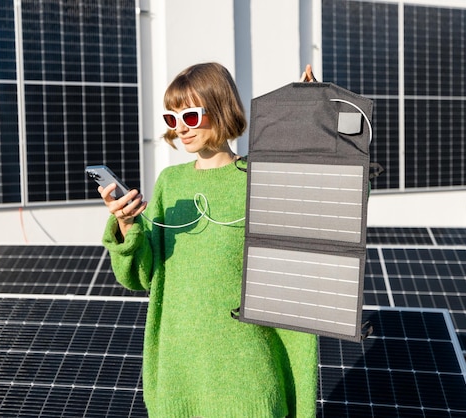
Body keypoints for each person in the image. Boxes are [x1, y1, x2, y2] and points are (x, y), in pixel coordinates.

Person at [98, 62, 318, 417]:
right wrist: (126, 225)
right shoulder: (172, 183)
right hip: (179, 374)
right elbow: (139, 277)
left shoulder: (261, 179)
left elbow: (336, 206)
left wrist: (313, 114)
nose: (181, 129)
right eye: (172, 119)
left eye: (191, 116)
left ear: (220, 109)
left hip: (248, 375)